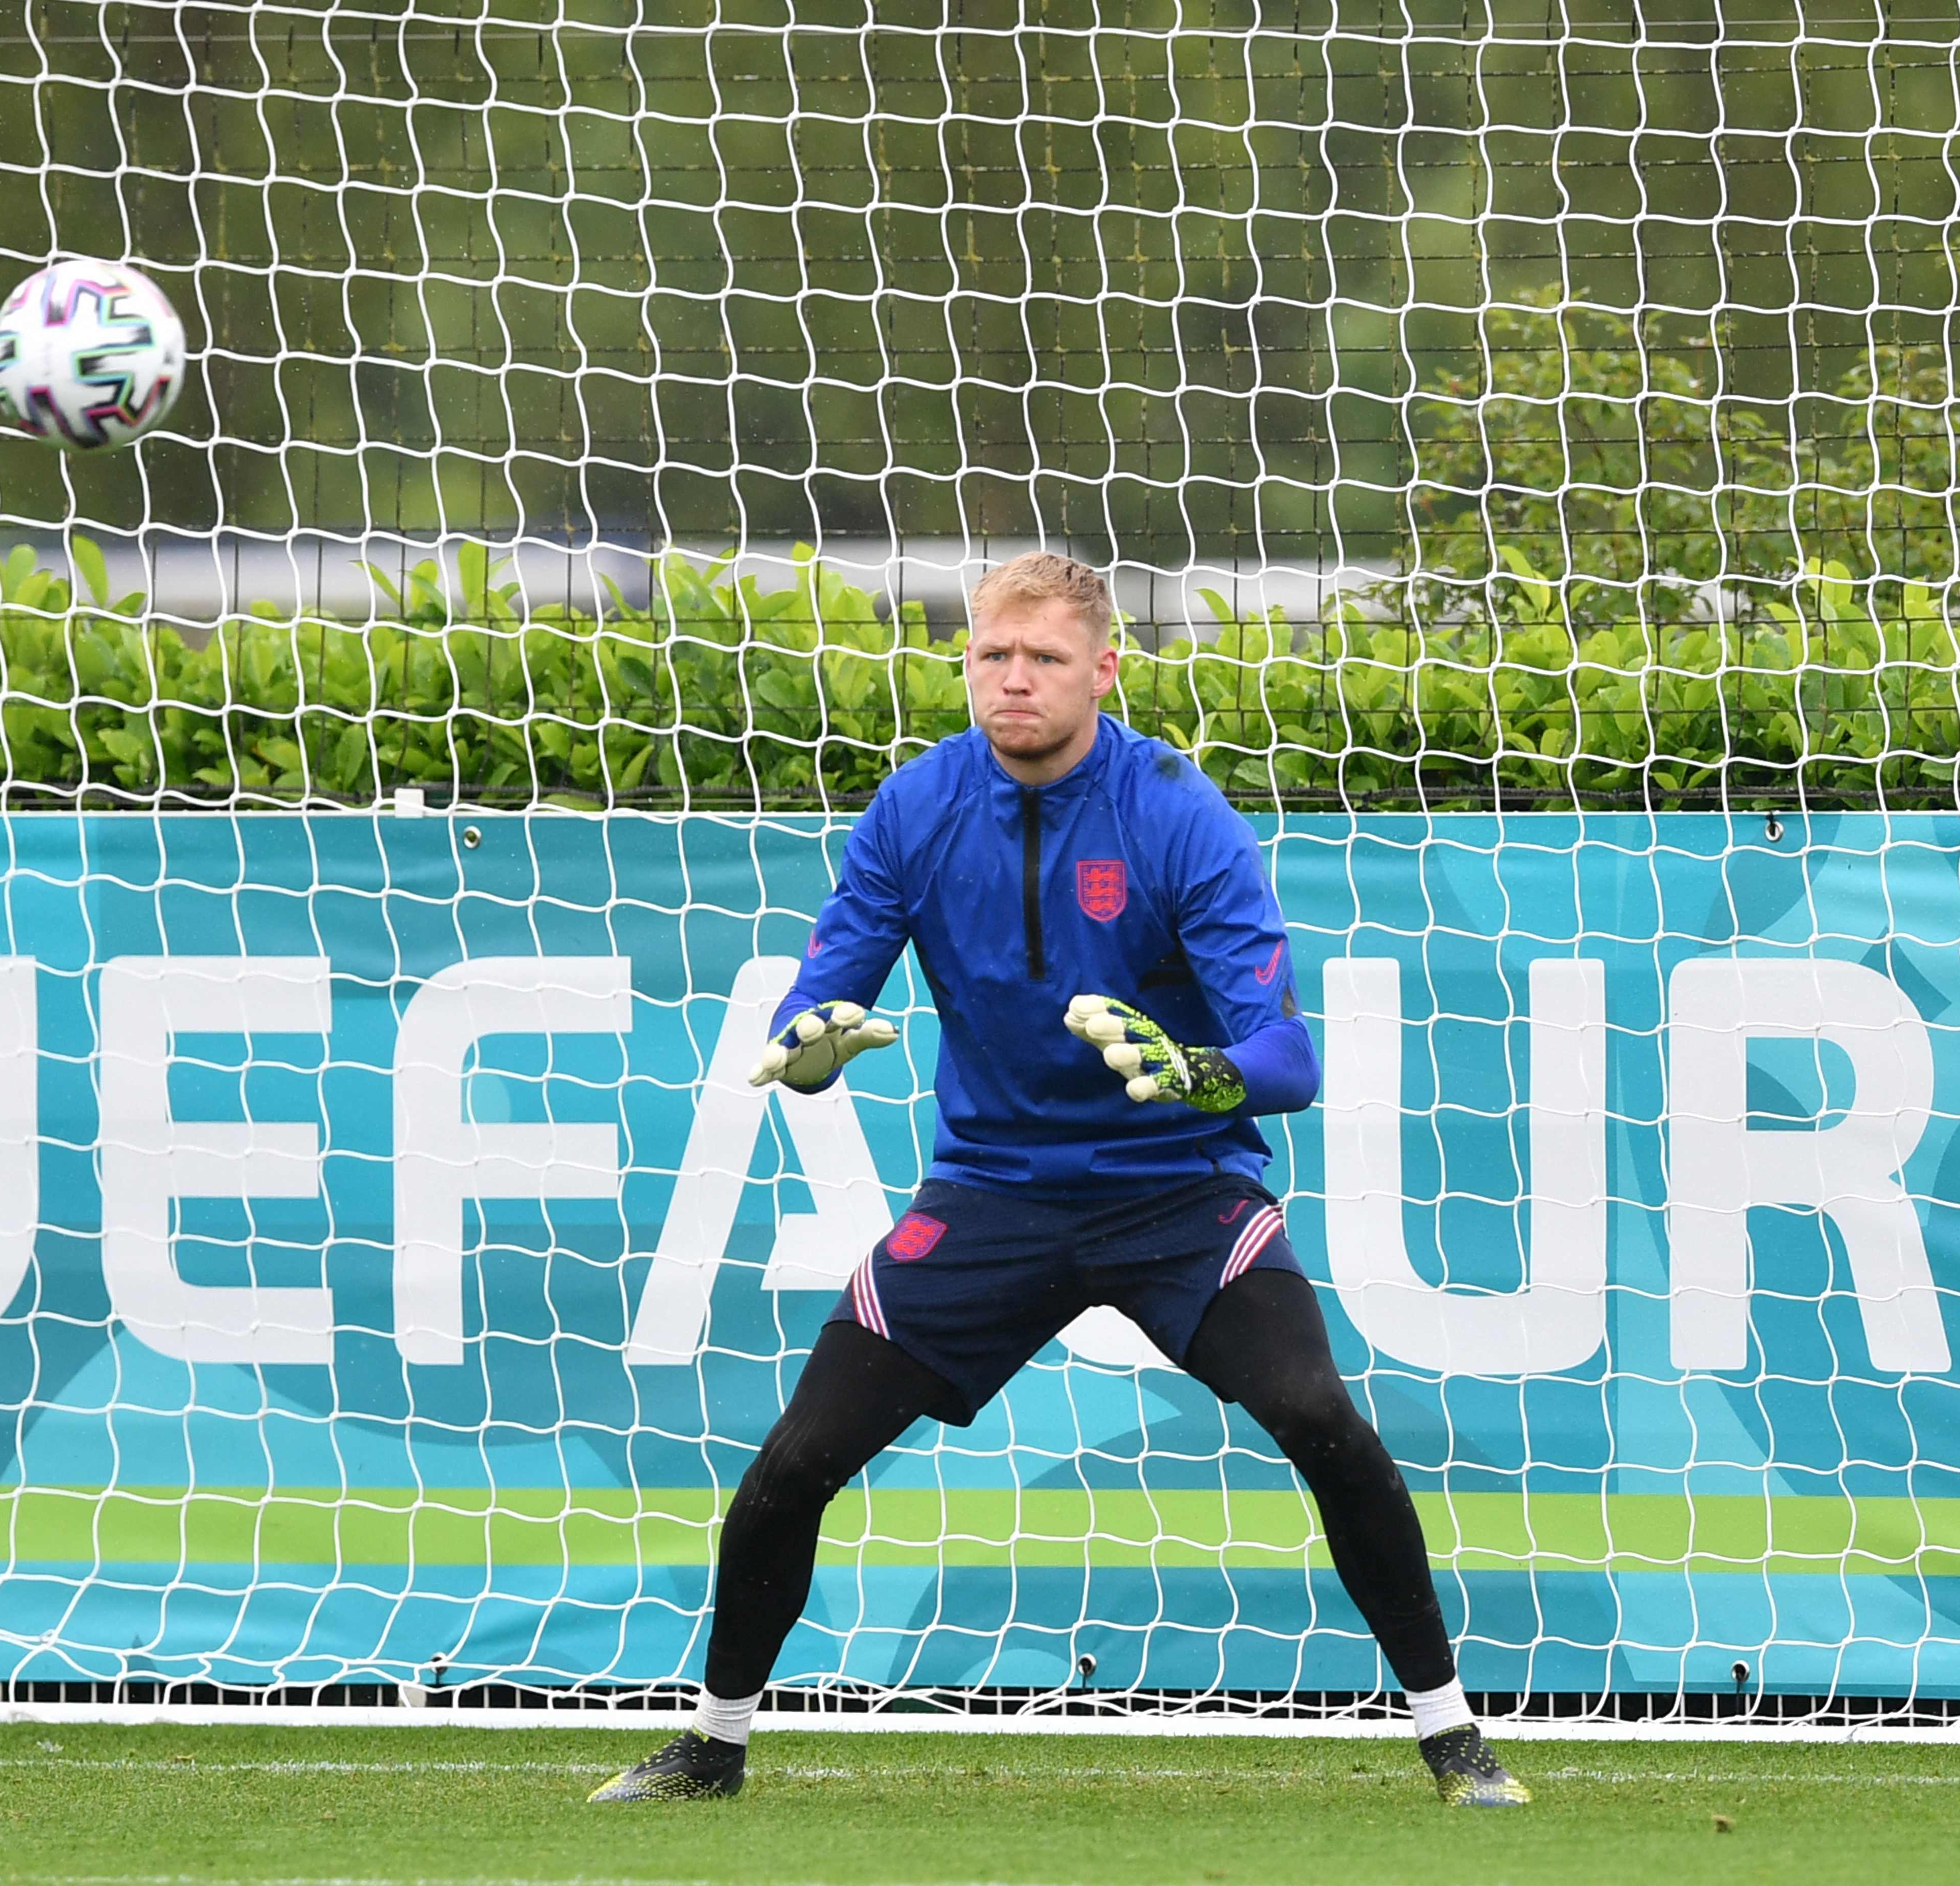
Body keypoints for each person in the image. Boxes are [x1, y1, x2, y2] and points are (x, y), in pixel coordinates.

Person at [591, 552, 1528, 1808]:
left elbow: (1286, 1056)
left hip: (1178, 1192)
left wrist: (1198, 1073)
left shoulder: (1176, 811)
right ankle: (712, 1746)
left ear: (1105, 668)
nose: (1013, 679)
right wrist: (812, 1047)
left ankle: (1456, 1741)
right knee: (798, 1456)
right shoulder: (915, 808)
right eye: (992, 654)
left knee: (1315, 1411)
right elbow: (820, 1007)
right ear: (966, 661)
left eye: (1042, 657)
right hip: (990, 1197)